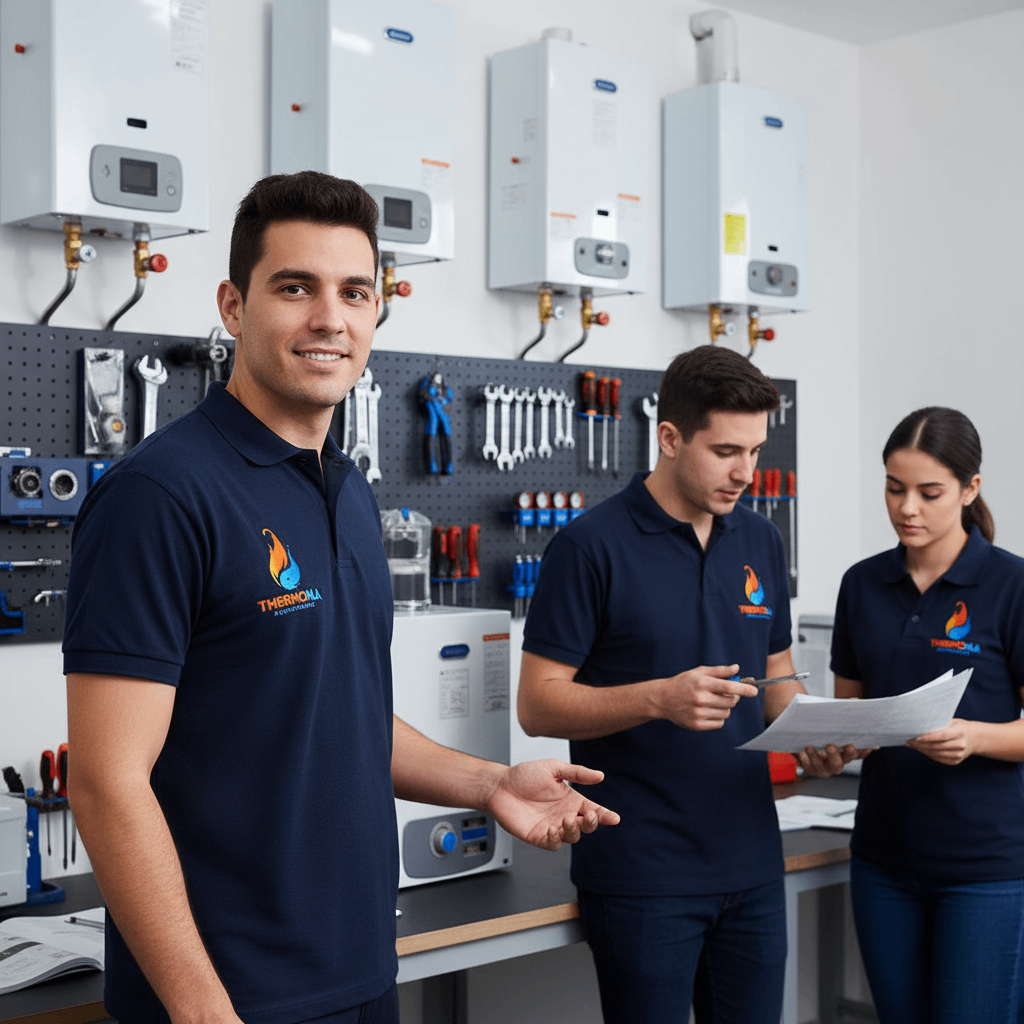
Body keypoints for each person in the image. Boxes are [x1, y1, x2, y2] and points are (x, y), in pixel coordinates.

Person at [62, 170, 619, 1024]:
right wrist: (201, 1007)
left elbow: (345, 715)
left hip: (360, 970)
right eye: (296, 287)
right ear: (232, 305)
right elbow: (105, 782)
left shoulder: (348, 491)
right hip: (231, 995)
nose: (331, 317)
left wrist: (493, 783)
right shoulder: (161, 496)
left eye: (355, 292)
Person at [517, 344, 859, 1024]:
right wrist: (657, 698)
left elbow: (777, 678)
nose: (746, 473)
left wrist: (821, 735)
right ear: (669, 437)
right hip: (644, 873)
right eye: (727, 451)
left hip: (754, 865)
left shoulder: (761, 540)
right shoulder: (589, 547)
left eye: (757, 452)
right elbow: (537, 703)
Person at [831, 406, 1024, 1024]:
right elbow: (850, 712)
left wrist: (976, 737)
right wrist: (833, 744)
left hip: (987, 871)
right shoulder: (861, 586)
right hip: (883, 861)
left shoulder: (1011, 586)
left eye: (928, 492)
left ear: (970, 490)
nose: (906, 508)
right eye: (894, 488)